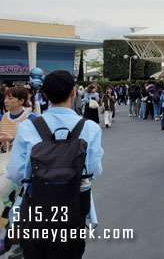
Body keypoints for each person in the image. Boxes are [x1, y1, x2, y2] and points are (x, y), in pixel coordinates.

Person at [6, 70, 103, 259]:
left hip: (36, 211)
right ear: (73, 92)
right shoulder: (90, 128)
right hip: (74, 209)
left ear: (45, 95)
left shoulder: (28, 127)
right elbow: (94, 170)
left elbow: (15, 173)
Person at [0, 87, 37, 152]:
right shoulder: (2, 118)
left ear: (21, 101)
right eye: (5, 98)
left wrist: (12, 139)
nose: (6, 101)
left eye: (10, 98)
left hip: (22, 157)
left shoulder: (30, 118)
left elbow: (34, 143)